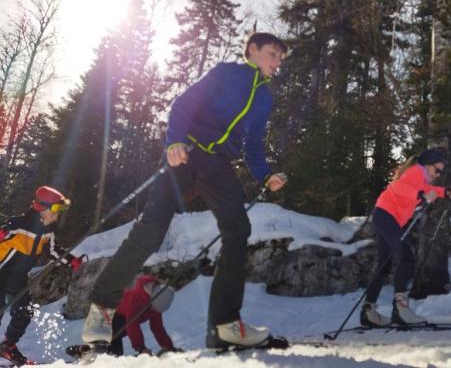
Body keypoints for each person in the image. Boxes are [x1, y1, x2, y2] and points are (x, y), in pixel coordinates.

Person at [82, 32, 288, 350]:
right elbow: (184, 103)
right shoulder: (227, 73)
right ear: (253, 50)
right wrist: (175, 140)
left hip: (218, 165)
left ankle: (225, 326)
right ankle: (102, 310)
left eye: (280, 59)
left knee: (238, 228)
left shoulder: (265, 98)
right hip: (188, 149)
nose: (277, 63)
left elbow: (254, 144)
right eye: (272, 54)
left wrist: (265, 175)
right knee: (152, 227)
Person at [361, 148, 451, 327]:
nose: (438, 174)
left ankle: (368, 312)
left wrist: (444, 192)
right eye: (437, 170)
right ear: (427, 165)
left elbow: (429, 189)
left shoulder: (421, 178)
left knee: (385, 264)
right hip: (386, 215)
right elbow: (399, 186)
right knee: (406, 257)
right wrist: (420, 195)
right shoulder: (416, 172)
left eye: (441, 171)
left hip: (383, 215)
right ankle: (401, 309)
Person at [0, 186, 83, 366]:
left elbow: (53, 251)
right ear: (40, 207)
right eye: (54, 210)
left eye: (59, 211)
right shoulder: (18, 225)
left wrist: (71, 261)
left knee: (24, 311)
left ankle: (7, 346)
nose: (56, 215)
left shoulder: (48, 231)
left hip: (17, 279)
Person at [108, 275, 179, 356]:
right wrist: (141, 348)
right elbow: (132, 325)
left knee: (117, 344)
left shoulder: (157, 300)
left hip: (125, 322)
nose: (154, 310)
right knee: (114, 349)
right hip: (113, 315)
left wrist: (169, 347)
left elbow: (157, 328)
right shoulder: (136, 296)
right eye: (153, 308)